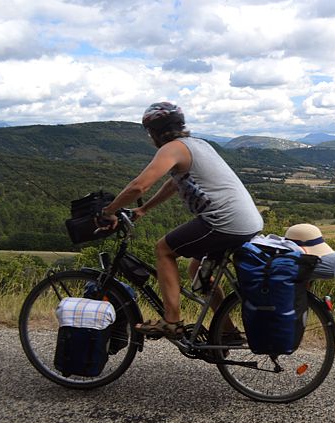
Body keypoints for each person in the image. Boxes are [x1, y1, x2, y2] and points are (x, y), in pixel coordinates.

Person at [98, 102, 263, 338]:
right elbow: (174, 182)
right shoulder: (198, 144)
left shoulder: (172, 149)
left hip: (222, 222)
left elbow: (139, 186)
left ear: (153, 132)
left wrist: (109, 211)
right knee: (197, 269)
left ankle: (171, 321)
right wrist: (144, 209)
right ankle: (226, 330)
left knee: (163, 250)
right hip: (246, 223)